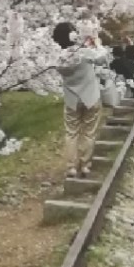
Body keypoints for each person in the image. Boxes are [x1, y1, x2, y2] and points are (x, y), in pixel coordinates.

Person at [52, 22, 109, 178]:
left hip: (71, 99)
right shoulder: (83, 52)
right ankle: (85, 165)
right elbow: (103, 58)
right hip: (90, 96)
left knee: (71, 133)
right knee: (88, 133)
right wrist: (97, 43)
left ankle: (71, 167)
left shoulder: (58, 58)